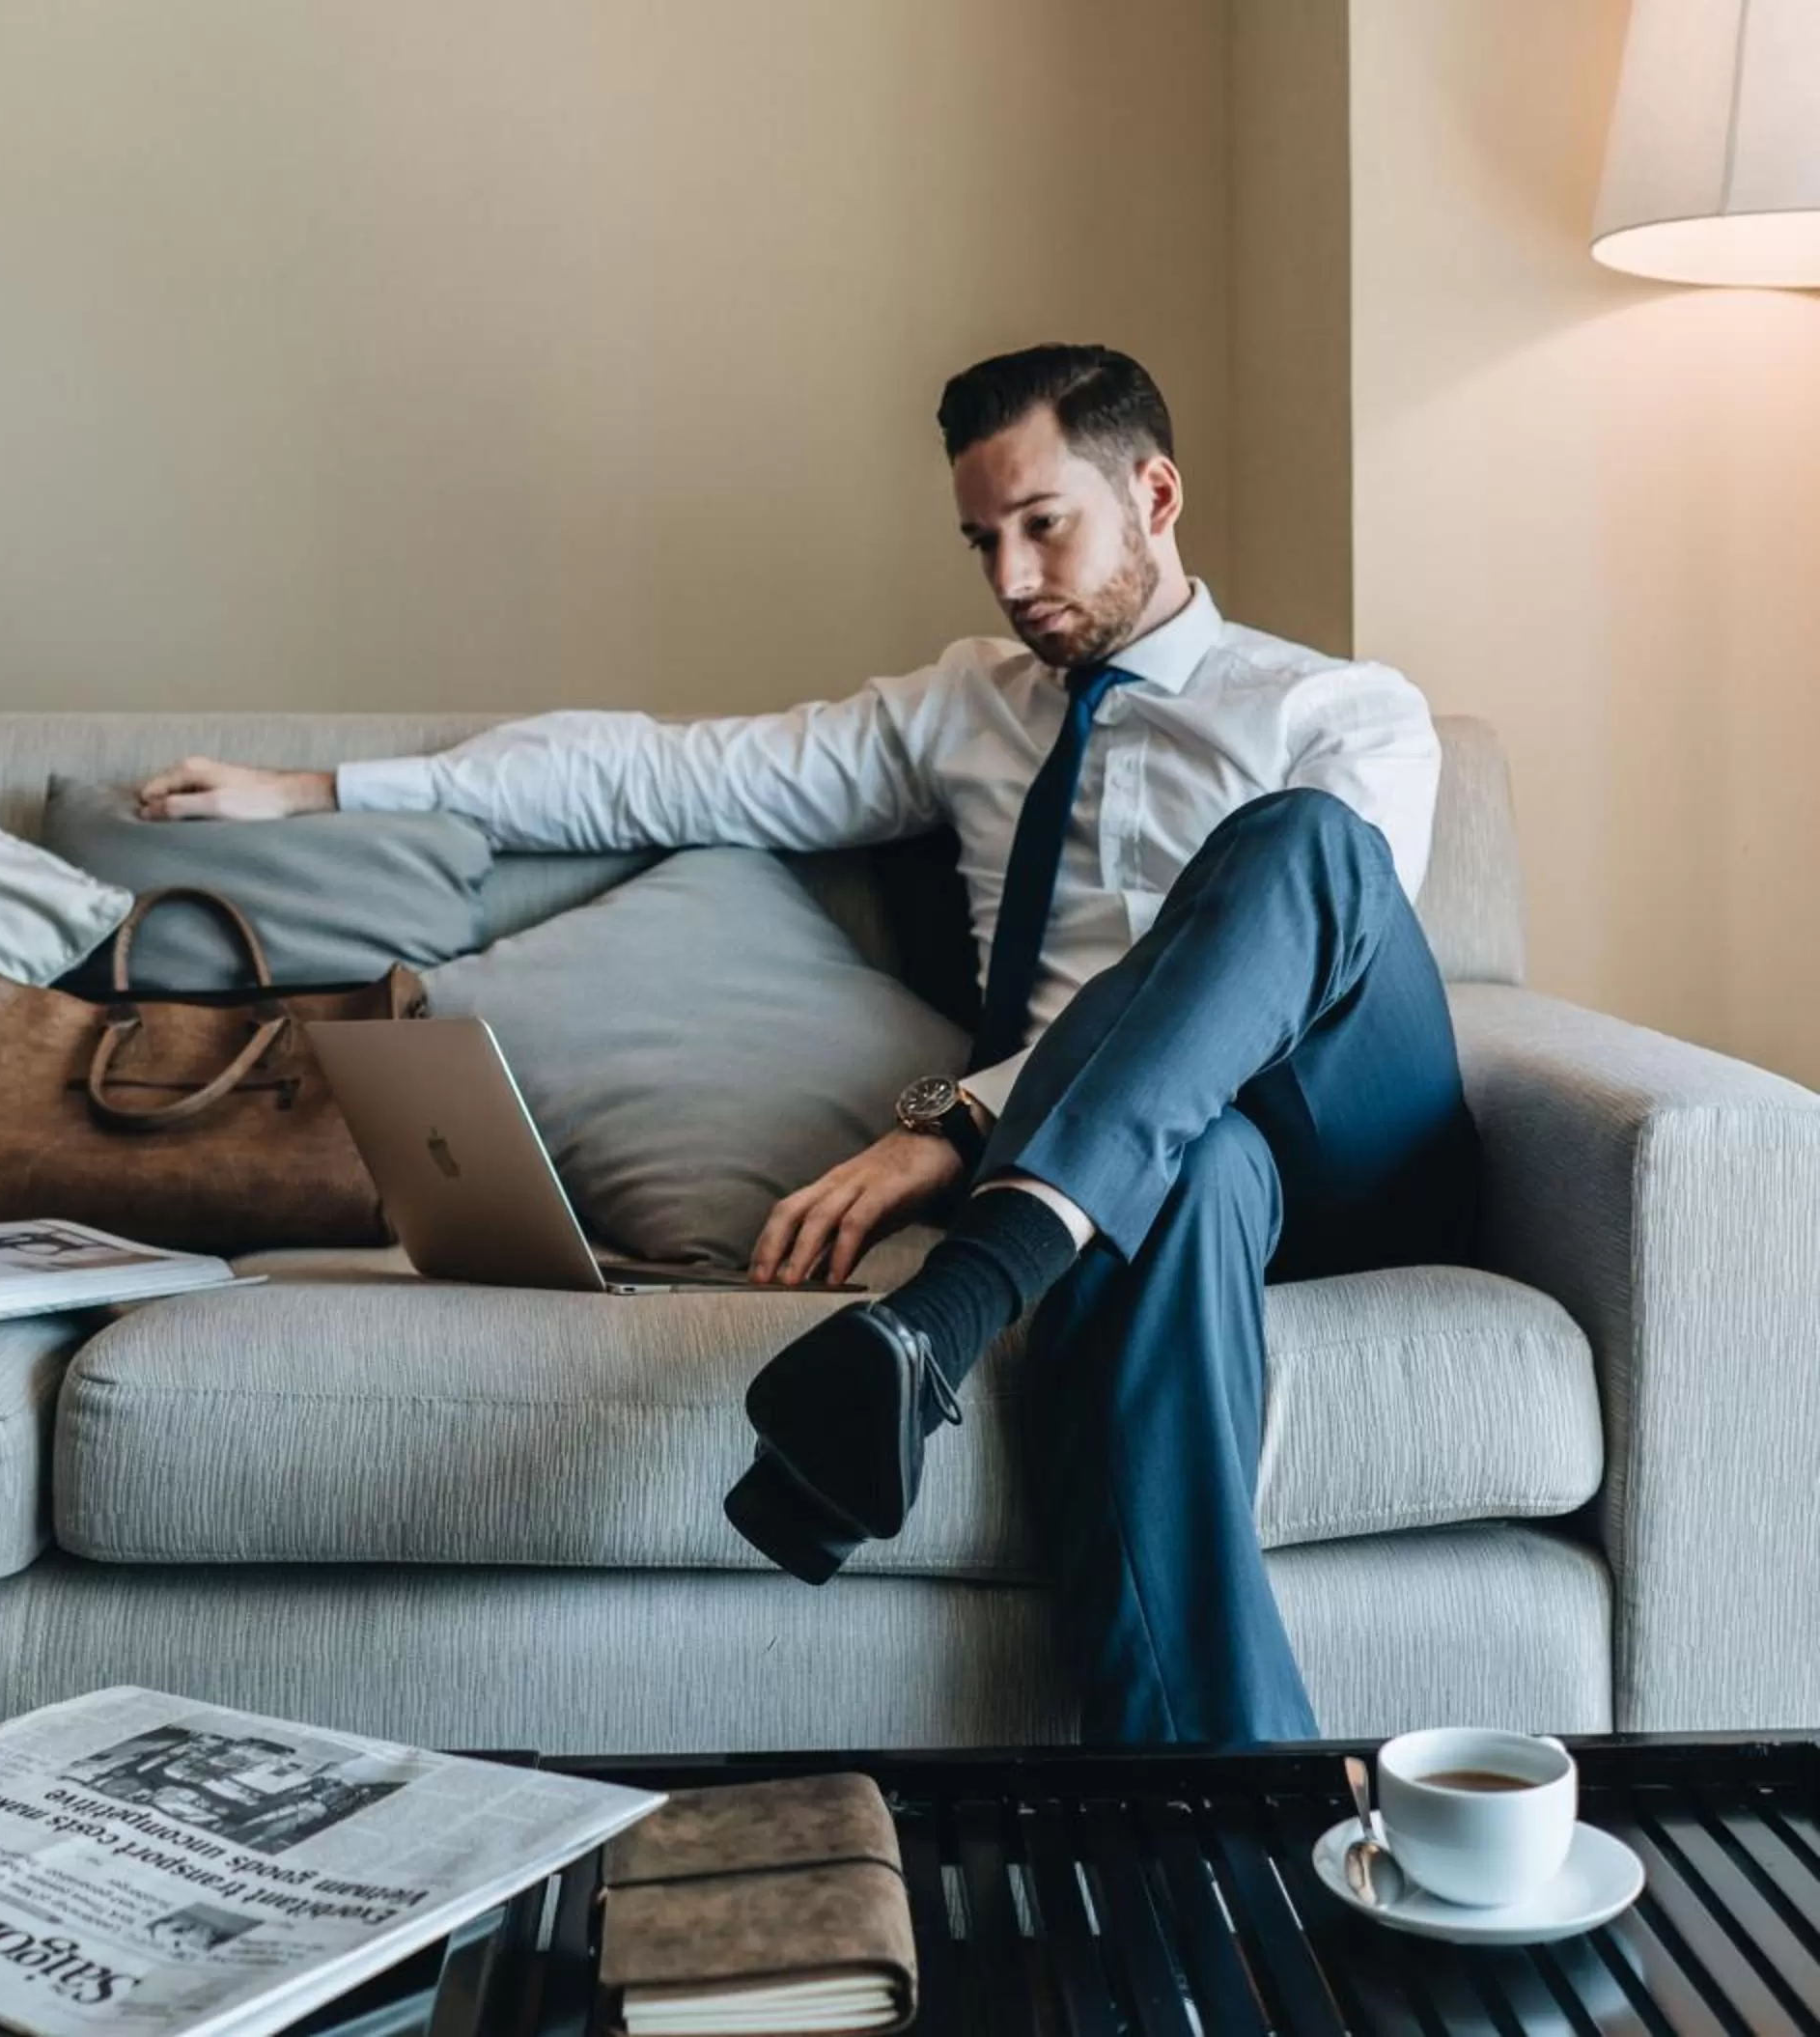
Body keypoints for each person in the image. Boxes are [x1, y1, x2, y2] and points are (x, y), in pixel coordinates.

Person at [134, 344, 1477, 1746]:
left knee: (1298, 849)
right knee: (1186, 1175)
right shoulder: (968, 707)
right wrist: (324, 789)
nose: (1012, 581)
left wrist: (956, 1120)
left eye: (1043, 525)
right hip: (1149, 1184)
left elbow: (1308, 961)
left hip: (1347, 1137)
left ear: (1155, 491)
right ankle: (1211, 1838)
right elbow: (660, 769)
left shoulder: (1338, 711)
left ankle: (948, 1309)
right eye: (982, 543)